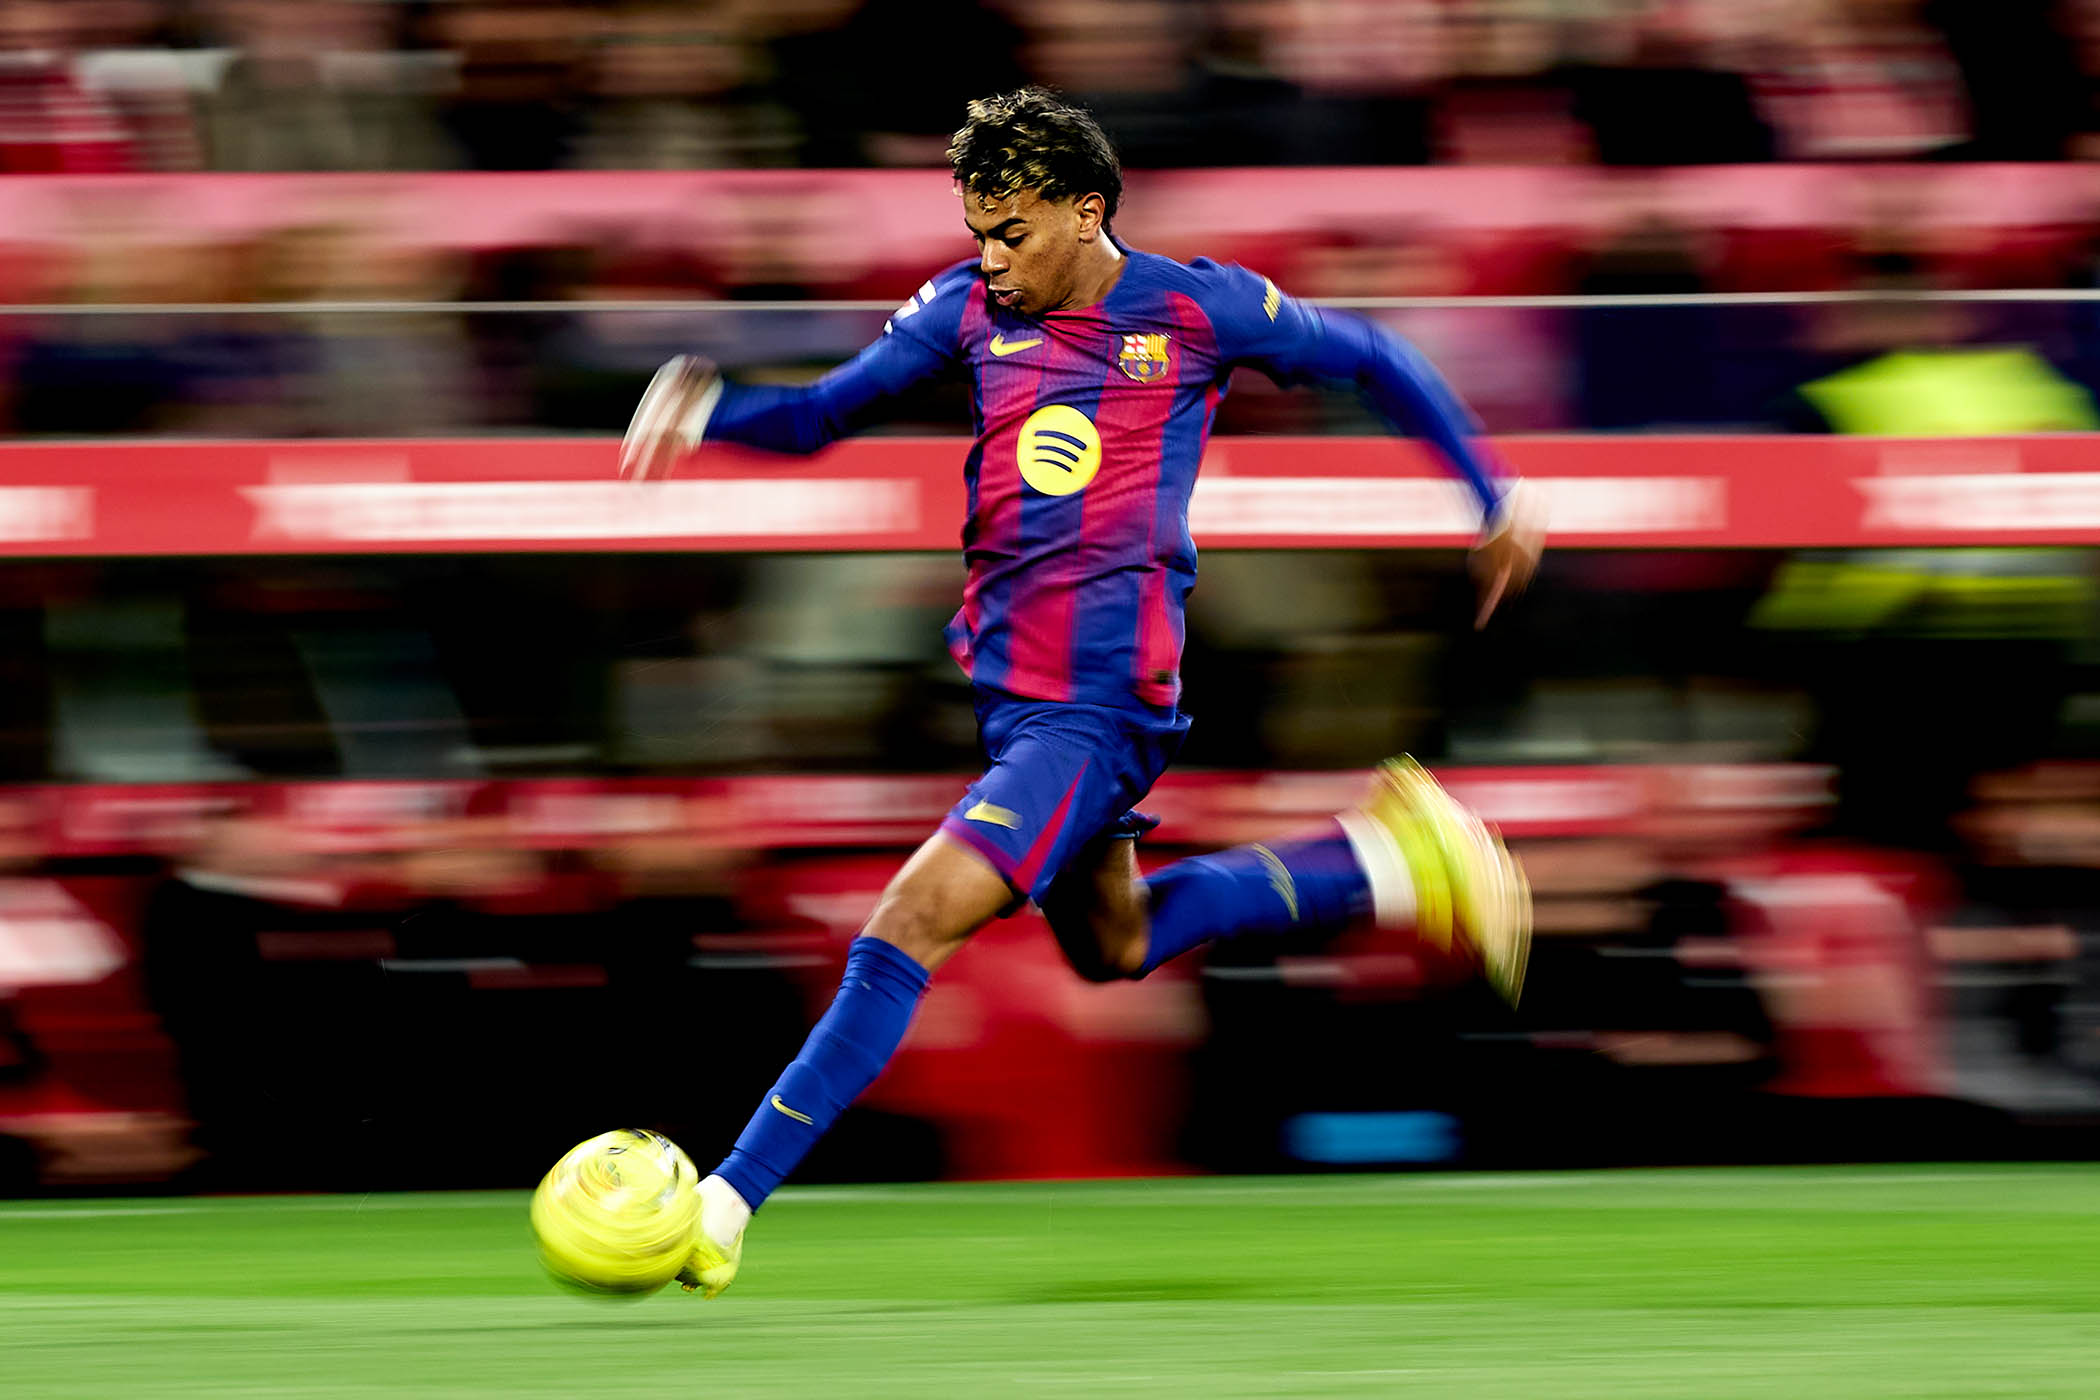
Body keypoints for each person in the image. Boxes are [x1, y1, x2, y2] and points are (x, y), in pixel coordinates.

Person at [619, 87, 1546, 1299]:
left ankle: (725, 1200)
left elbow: (1372, 352)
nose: (990, 258)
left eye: (1011, 232)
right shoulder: (962, 310)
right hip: (1015, 696)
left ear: (1085, 211)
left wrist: (1493, 492)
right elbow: (821, 416)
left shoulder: (1193, 308)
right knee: (1117, 942)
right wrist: (710, 408)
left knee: (908, 922)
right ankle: (1386, 857)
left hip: (1097, 705)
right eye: (977, 232)